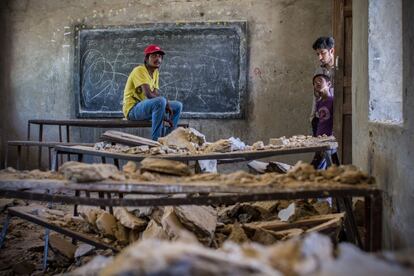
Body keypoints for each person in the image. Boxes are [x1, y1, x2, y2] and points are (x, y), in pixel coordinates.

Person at [123, 44, 183, 141]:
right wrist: (164, 103)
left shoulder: (155, 72)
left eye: (159, 56)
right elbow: (149, 94)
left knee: (178, 106)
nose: (158, 59)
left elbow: (155, 93)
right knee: (160, 101)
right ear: (146, 59)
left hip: (146, 107)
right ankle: (156, 141)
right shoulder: (139, 70)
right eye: (154, 56)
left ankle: (168, 139)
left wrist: (165, 106)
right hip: (133, 110)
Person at [310, 73, 339, 169]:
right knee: (323, 165)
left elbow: (337, 121)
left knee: (320, 166)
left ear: (329, 84)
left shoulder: (334, 101)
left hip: (329, 139)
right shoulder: (319, 103)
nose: (317, 83)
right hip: (319, 138)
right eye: (314, 82)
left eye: (320, 80)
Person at [310, 37, 335, 135]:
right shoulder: (318, 71)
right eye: (317, 54)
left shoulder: (340, 70)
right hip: (320, 116)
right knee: (318, 146)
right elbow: (315, 95)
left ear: (331, 51)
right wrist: (313, 116)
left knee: (333, 148)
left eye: (322, 53)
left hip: (334, 117)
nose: (319, 57)